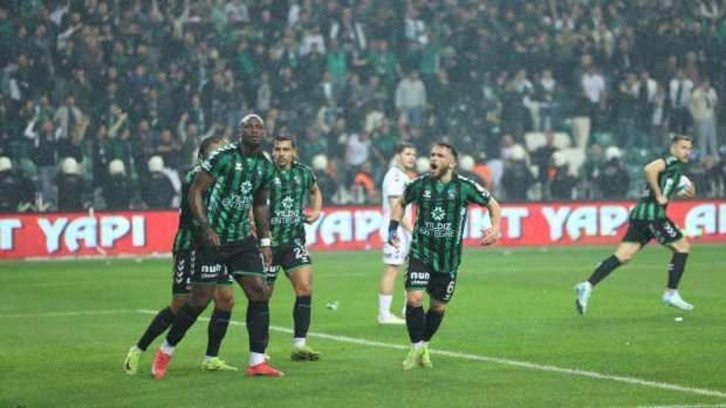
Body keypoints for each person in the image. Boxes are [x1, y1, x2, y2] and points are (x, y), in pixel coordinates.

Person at [151, 114, 283, 378]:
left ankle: (257, 361)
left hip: (242, 239)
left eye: (259, 127)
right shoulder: (223, 157)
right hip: (214, 240)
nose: (255, 131)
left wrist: (265, 241)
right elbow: (196, 192)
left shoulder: (265, 165)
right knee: (199, 301)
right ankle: (166, 350)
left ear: (264, 133)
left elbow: (259, 204)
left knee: (260, 292)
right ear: (240, 131)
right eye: (249, 126)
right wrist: (206, 227)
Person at [123, 136, 236, 375]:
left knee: (225, 298)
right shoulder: (195, 177)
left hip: (218, 244)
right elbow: (199, 214)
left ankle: (211, 358)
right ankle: (139, 348)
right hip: (191, 244)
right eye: (215, 154)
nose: (220, 158)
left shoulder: (228, 178)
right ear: (202, 157)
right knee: (181, 304)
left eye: (224, 153)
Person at [387, 142, 502, 369]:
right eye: (432, 154)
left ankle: (423, 346)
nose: (434, 158)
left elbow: (492, 204)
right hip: (421, 252)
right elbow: (400, 203)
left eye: (440, 155)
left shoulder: (465, 187)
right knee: (414, 299)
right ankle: (415, 348)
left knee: (438, 307)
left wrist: (496, 228)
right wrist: (392, 229)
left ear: (452, 163)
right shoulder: (419, 184)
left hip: (448, 258)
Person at [574, 135, 696, 314]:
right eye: (683, 148)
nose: (687, 152)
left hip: (640, 215)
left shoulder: (676, 170)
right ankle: (671, 293)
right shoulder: (669, 162)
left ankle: (587, 285)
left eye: (689, 148)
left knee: (623, 256)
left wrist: (681, 189)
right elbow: (649, 169)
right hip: (653, 215)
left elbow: (673, 184)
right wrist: (659, 194)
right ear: (673, 149)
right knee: (682, 247)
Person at [267, 136, 323, 360]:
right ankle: (259, 350)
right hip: (268, 244)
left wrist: (316, 211)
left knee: (305, 289)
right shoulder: (265, 172)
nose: (281, 153)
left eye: (285, 149)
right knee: (262, 296)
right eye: (277, 149)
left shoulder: (304, 172)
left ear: (294, 152)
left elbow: (315, 190)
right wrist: (254, 224)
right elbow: (252, 200)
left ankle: (300, 345)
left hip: (294, 241)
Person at [378, 143, 417, 325]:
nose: (412, 157)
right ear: (397, 156)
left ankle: (406, 310)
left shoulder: (404, 177)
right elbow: (396, 208)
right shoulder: (394, 177)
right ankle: (384, 314)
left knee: (410, 269)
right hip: (395, 231)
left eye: (413, 154)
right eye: (407, 154)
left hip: (404, 230)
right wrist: (412, 230)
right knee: (392, 268)